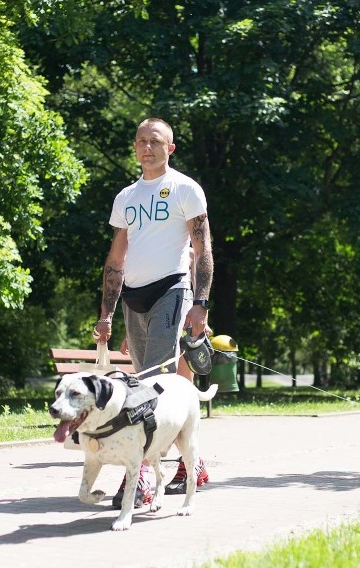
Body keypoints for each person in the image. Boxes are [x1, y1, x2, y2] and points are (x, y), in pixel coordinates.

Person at [94, 117, 213, 509]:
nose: (148, 147)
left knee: (154, 384)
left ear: (170, 148)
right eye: (142, 141)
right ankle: (192, 466)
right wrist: (107, 313)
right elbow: (116, 259)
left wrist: (201, 303)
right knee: (147, 384)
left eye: (156, 141)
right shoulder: (126, 197)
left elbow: (203, 250)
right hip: (133, 297)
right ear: (135, 147)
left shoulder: (184, 189)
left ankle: (143, 476)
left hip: (172, 290)